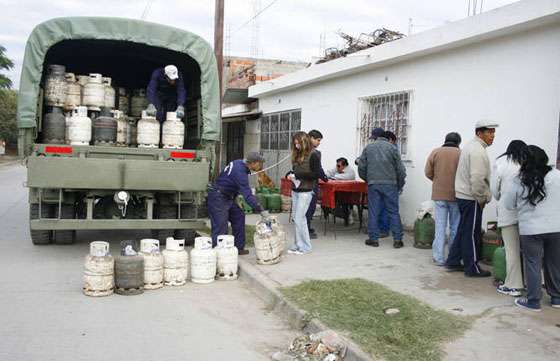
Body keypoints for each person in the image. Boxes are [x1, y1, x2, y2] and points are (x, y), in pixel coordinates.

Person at [503, 145, 560, 311]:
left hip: (531, 229)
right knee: (555, 262)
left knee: (532, 263)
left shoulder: (518, 179)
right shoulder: (557, 175)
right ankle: (556, 298)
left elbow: (508, 204)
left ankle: (533, 301)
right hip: (556, 228)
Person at [445, 120, 498, 277]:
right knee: (471, 232)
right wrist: (481, 198)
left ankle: (454, 260)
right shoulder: (477, 151)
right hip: (472, 197)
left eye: (493, 132)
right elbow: (477, 179)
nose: (492, 136)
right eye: (489, 132)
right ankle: (472, 267)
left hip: (464, 195)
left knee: (463, 229)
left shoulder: (472, 146)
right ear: (479, 133)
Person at [207, 152, 269, 255]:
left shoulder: (239, 163)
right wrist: (261, 209)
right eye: (260, 163)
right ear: (253, 163)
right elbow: (247, 195)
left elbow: (230, 182)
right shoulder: (240, 171)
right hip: (218, 197)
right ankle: (218, 254)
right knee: (221, 226)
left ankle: (238, 248)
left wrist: (236, 199)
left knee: (239, 216)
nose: (261, 166)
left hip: (227, 196)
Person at [358, 128, 406, 248]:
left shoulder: (368, 148)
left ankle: (373, 239)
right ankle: (397, 240)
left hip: (373, 184)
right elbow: (401, 170)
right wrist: (399, 184)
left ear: (376, 137)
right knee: (393, 212)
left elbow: (361, 167)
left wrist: (368, 180)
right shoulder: (393, 148)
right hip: (390, 184)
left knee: (373, 212)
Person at [491, 140, 528, 297]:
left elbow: (495, 189)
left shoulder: (502, 163)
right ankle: (531, 282)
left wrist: (501, 196)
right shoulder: (527, 163)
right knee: (530, 252)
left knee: (511, 250)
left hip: (508, 213)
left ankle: (513, 285)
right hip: (528, 214)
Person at [424, 132, 462, 266]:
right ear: (458, 142)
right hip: (456, 195)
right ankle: (453, 257)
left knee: (440, 227)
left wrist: (437, 180)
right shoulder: (461, 154)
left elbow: (428, 172)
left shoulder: (436, 152)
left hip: (439, 195)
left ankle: (438, 258)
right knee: (455, 227)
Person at [288, 132, 323, 255]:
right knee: (297, 219)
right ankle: (298, 244)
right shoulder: (297, 155)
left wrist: (297, 175)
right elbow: (295, 170)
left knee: (299, 218)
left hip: (306, 191)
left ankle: (305, 247)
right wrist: (290, 174)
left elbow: (316, 174)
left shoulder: (314, 155)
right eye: (295, 143)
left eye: (298, 143)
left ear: (303, 142)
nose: (296, 145)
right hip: (296, 189)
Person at [305, 130, 328, 239]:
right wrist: (325, 178)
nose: (319, 142)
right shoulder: (313, 153)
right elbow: (319, 169)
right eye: (318, 140)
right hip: (310, 183)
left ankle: (307, 227)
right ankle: (306, 229)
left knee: (307, 207)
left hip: (304, 183)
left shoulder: (301, 150)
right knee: (309, 206)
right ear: (311, 138)